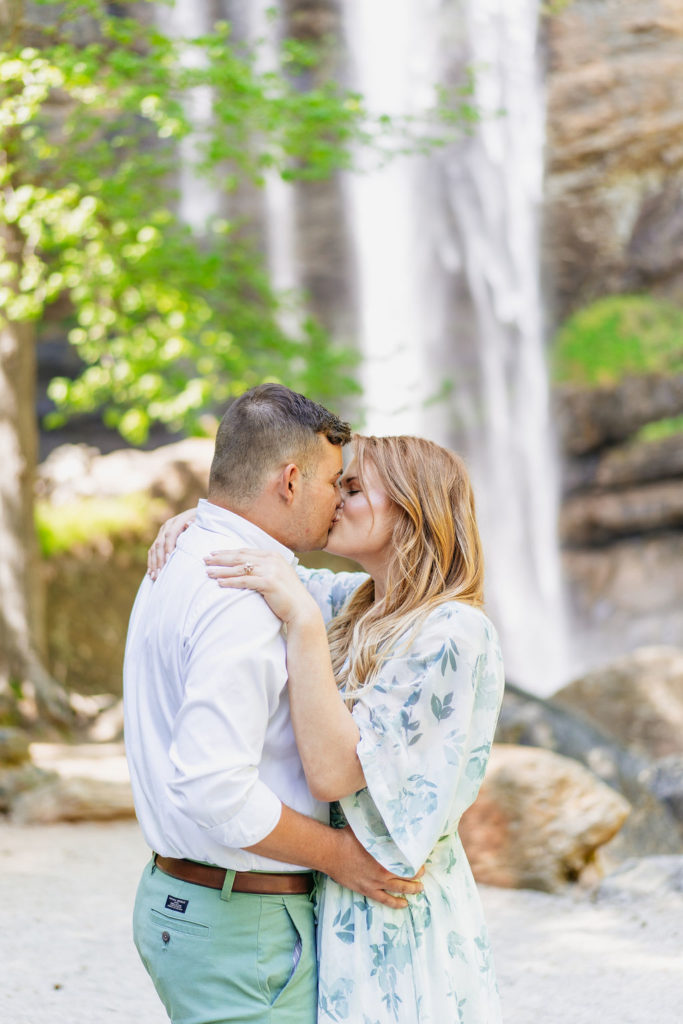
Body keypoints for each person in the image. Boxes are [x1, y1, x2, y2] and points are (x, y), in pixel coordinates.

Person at [153, 431, 505, 1023]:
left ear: (413, 511)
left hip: (398, 910)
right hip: (339, 901)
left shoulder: (453, 633)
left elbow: (334, 773)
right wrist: (197, 521)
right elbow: (259, 562)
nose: (336, 500)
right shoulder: (359, 603)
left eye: (355, 488)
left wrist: (304, 628)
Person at [124, 385, 423, 1024]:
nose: (338, 501)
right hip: (241, 928)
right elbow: (214, 788)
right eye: (333, 483)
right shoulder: (244, 599)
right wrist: (341, 856)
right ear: (290, 481)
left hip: (190, 902)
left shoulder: (190, 558)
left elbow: (388, 595)